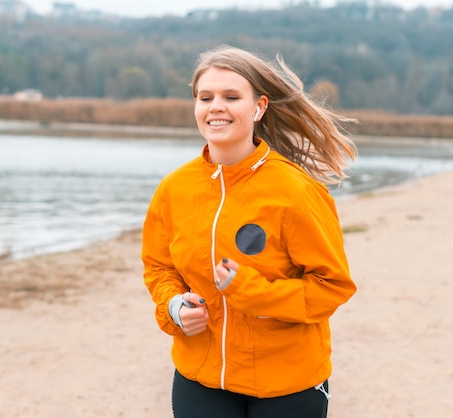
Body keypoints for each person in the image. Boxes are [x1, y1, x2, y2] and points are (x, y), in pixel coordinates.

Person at [142, 45, 357, 418]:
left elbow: (331, 286)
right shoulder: (174, 189)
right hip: (200, 379)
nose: (216, 107)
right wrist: (174, 307)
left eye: (231, 97)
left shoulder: (296, 191)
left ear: (258, 107)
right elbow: (159, 267)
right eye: (205, 97)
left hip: (287, 384)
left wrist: (248, 291)